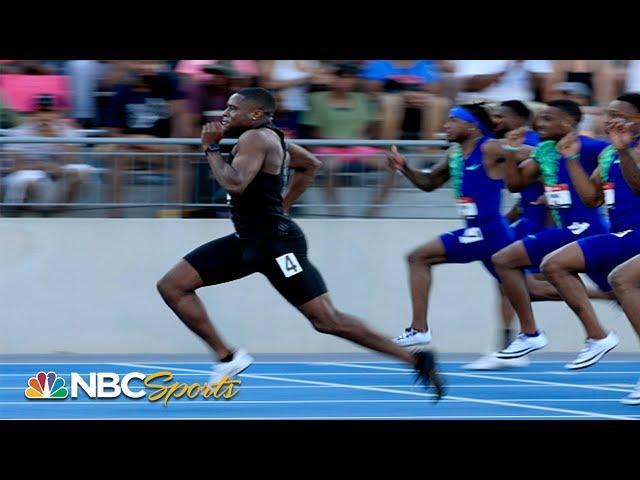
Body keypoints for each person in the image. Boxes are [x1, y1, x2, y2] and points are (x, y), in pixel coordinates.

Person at [156, 87, 444, 398]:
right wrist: (283, 204)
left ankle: (416, 359)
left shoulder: (255, 138)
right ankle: (227, 357)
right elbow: (310, 165)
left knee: (327, 320)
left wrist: (210, 149)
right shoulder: (272, 138)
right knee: (173, 285)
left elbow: (236, 184)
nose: (223, 113)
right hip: (248, 241)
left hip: (278, 247)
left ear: (254, 115)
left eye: (232, 108)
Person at [387, 103, 517, 353]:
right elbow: (429, 183)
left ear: (471, 125)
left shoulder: (489, 147)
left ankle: (419, 329)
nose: (445, 126)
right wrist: (404, 166)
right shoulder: (454, 154)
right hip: (484, 232)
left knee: (417, 258)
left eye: (452, 120)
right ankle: (602, 296)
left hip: (487, 232)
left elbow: (527, 154)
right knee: (527, 287)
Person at [492, 100, 612, 362]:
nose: (539, 124)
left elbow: (618, 164)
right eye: (540, 119)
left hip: (586, 229)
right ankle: (534, 333)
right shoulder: (545, 150)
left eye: (547, 119)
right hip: (565, 229)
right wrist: (512, 151)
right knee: (506, 262)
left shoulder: (591, 147)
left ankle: (594, 335)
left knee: (623, 292)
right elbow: (516, 185)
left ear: (568, 123)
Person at [540, 94, 640, 371]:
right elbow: (592, 199)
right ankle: (597, 336)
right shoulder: (609, 153)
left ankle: (598, 336)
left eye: (617, 114)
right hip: (624, 235)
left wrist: (623, 150)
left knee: (620, 280)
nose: (608, 120)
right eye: (606, 113)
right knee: (554, 266)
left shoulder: (630, 148)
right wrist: (571, 159)